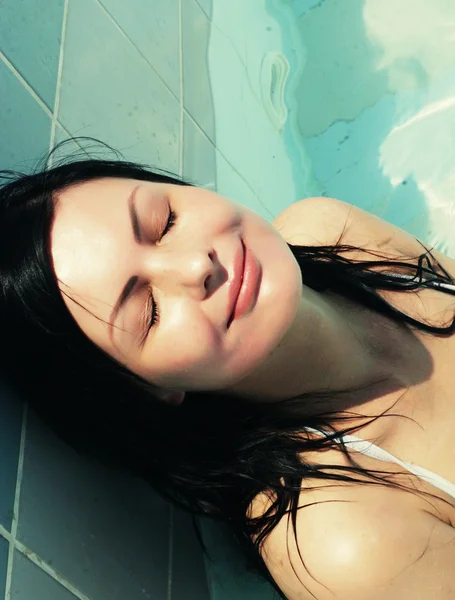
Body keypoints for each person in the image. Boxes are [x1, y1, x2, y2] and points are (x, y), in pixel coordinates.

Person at [2, 139, 455, 600]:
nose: (196, 265)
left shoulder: (334, 231)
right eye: (150, 311)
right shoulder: (346, 538)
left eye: (166, 222)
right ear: (150, 390)